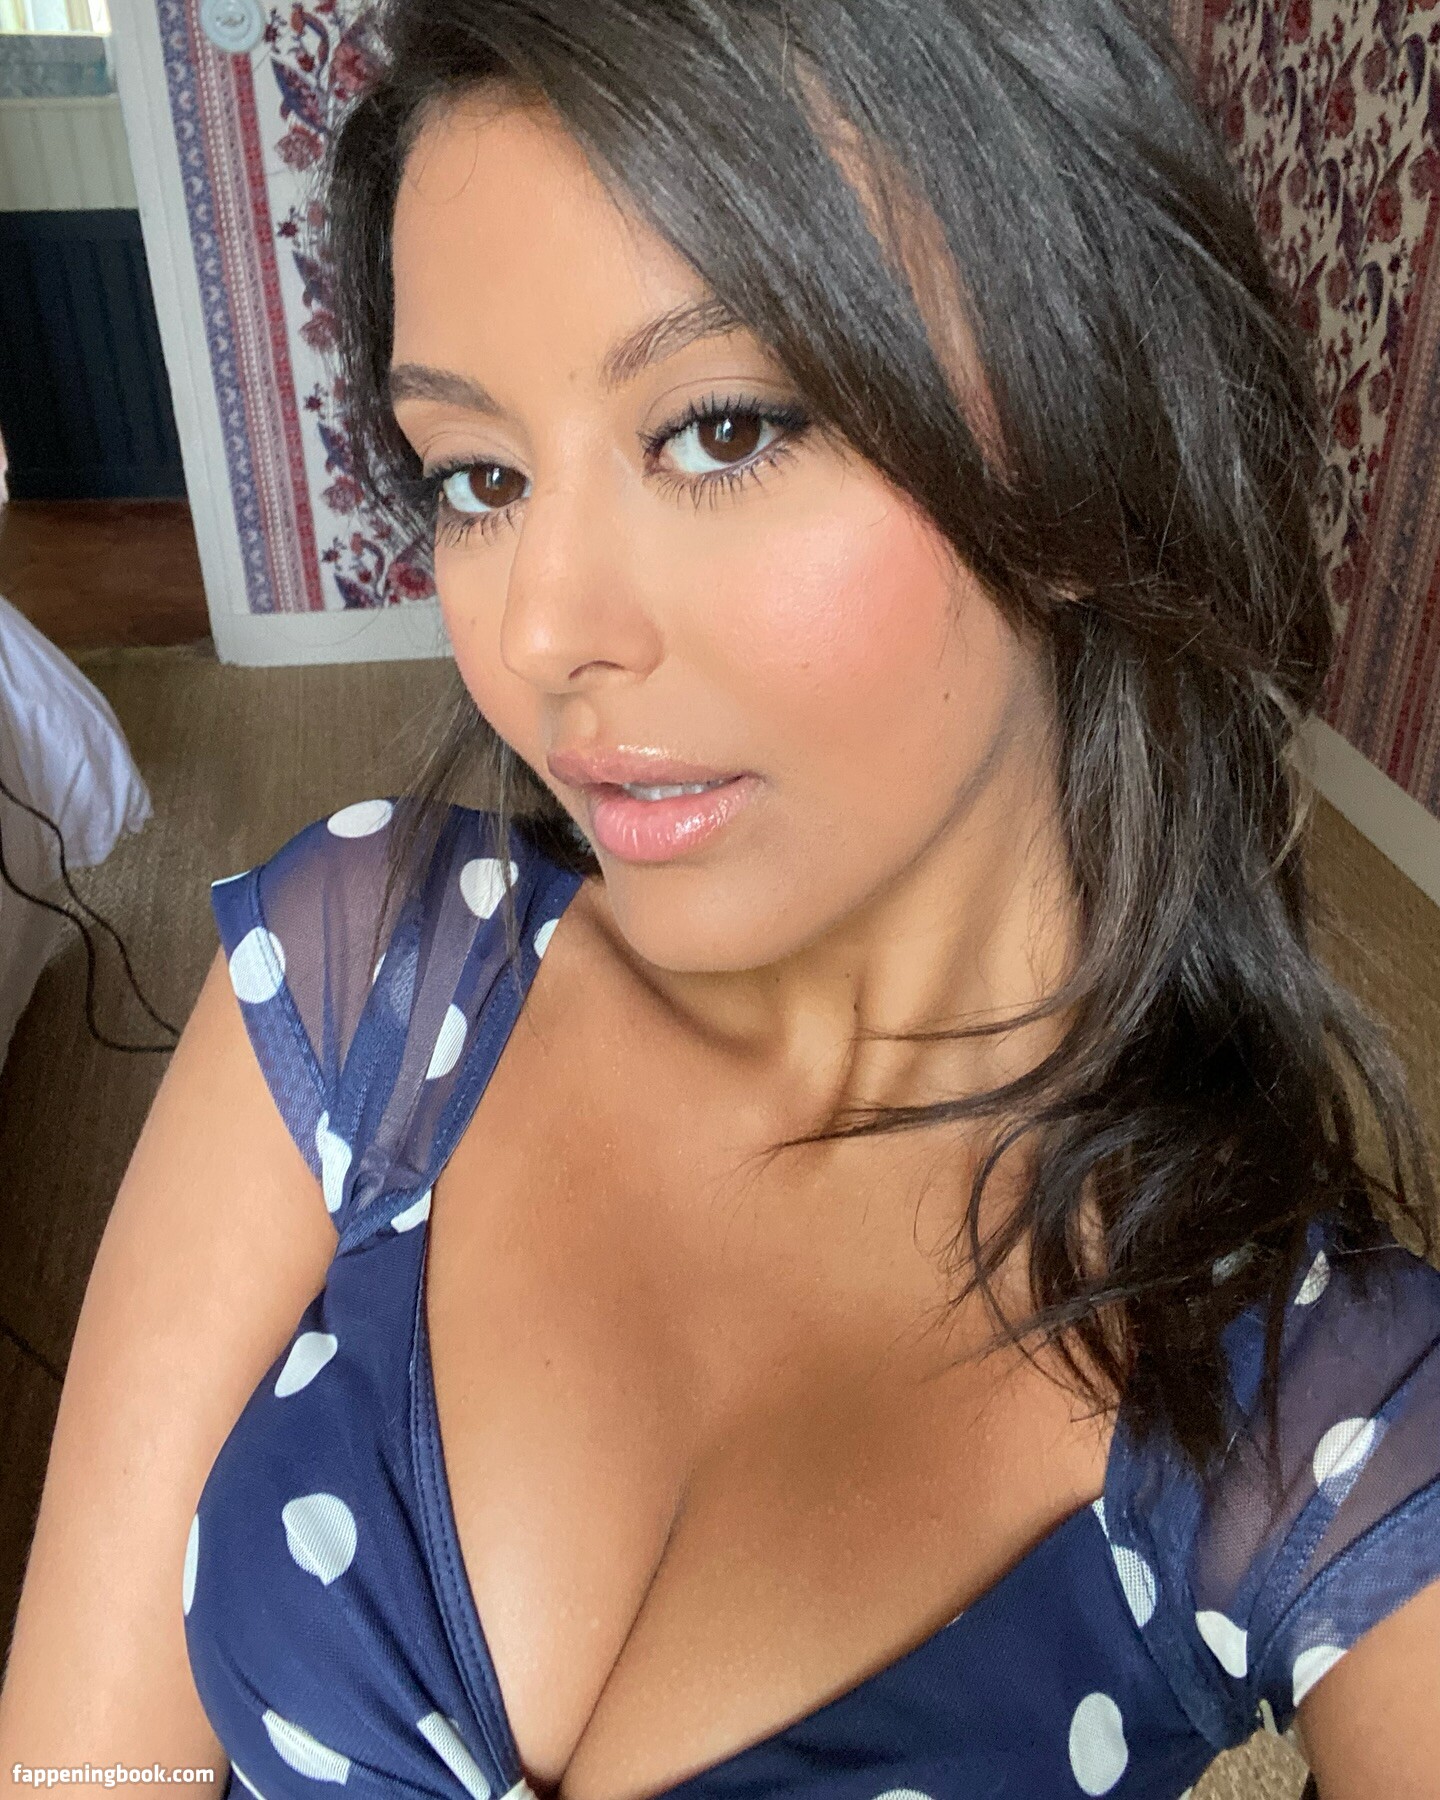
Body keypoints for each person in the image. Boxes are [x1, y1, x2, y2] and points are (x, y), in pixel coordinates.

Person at [2, 2, 1437, 1796]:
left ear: (1090, 449)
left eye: (720, 430)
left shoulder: (1322, 1401)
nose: (541, 634)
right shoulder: (367, 975)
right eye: (480, 477)